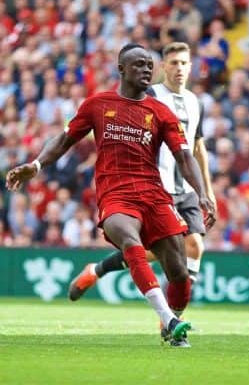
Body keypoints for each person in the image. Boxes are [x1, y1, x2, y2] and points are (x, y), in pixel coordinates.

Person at [5, 43, 216, 347]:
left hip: (155, 196)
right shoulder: (98, 105)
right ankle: (169, 320)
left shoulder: (161, 112)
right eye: (139, 65)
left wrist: (202, 193)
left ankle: (171, 319)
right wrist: (36, 165)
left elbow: (185, 156)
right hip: (115, 195)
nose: (146, 69)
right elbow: (65, 139)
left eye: (149, 65)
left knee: (180, 274)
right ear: (121, 69)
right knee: (129, 239)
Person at [68, 43, 216, 317]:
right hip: (153, 186)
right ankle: (166, 315)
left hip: (185, 187)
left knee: (193, 246)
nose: (179, 69)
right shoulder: (150, 96)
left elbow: (197, 148)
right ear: (163, 67)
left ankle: (172, 316)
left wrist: (207, 189)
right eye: (173, 63)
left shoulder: (196, 103)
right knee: (155, 250)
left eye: (184, 63)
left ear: (191, 67)